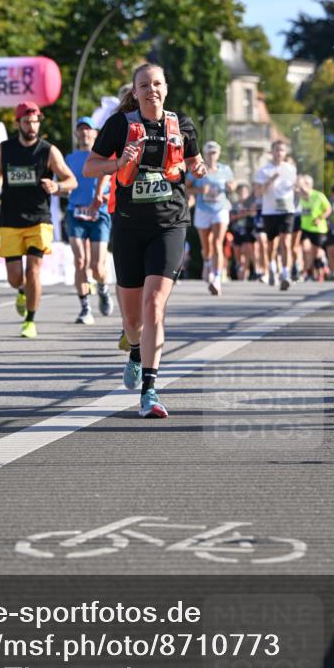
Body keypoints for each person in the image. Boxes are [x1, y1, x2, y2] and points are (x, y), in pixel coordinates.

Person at [83, 62, 206, 419]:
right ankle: (135, 350)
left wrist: (199, 169)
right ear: (134, 92)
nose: (151, 89)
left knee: (155, 304)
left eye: (156, 83)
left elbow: (195, 163)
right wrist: (119, 161)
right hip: (128, 227)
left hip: (170, 223)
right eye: (144, 85)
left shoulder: (181, 125)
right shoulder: (120, 125)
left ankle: (150, 390)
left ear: (165, 88)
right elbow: (91, 167)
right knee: (133, 321)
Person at [0, 101, 76, 339]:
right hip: (10, 219)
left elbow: (71, 180)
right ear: (18, 123)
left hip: (39, 219)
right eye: (27, 122)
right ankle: (21, 291)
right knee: (14, 276)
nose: (32, 126)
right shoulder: (5, 149)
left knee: (34, 271)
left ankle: (30, 320)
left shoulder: (48, 151)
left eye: (35, 122)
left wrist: (57, 186)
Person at [64, 116, 114, 324]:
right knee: (79, 261)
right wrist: (57, 188)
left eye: (88, 130)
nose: (85, 133)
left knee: (97, 267)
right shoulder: (69, 159)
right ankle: (85, 308)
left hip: (99, 214)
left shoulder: (104, 157)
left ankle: (103, 289)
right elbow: (64, 184)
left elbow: (112, 182)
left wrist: (105, 196)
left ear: (95, 133)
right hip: (75, 213)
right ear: (77, 134)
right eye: (81, 129)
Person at [188, 140, 234, 296]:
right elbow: (186, 187)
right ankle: (207, 264)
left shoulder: (225, 169)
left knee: (217, 243)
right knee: (206, 246)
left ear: (219, 154)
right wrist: (200, 189)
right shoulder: (198, 168)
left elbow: (233, 185)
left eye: (214, 152)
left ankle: (217, 278)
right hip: (203, 209)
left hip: (220, 209)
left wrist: (230, 187)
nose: (212, 155)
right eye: (209, 152)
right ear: (204, 154)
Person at [254, 140, 297, 291]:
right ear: (271, 152)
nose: (279, 153)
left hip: (287, 210)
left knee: (286, 242)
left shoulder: (291, 169)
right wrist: (271, 180)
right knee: (271, 246)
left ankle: (285, 274)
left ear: (285, 153)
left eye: (282, 150)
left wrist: (300, 187)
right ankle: (272, 267)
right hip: (270, 211)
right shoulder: (264, 170)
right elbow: (258, 193)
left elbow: (295, 187)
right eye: (277, 150)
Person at [296, 175, 331, 281]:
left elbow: (328, 209)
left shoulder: (319, 196)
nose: (303, 186)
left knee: (315, 252)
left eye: (306, 183)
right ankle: (308, 272)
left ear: (311, 185)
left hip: (318, 228)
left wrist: (320, 218)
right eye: (303, 183)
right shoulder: (299, 197)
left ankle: (319, 265)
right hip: (305, 227)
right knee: (306, 249)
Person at [229, 183, 257, 281]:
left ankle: (245, 272)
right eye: (240, 192)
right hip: (236, 230)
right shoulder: (235, 204)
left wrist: (242, 214)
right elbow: (231, 217)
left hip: (248, 230)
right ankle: (239, 266)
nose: (242, 194)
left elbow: (253, 213)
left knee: (247, 250)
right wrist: (243, 214)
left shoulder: (250, 204)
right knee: (237, 252)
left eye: (244, 192)